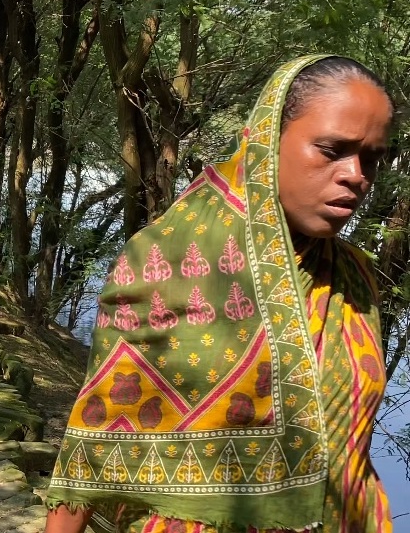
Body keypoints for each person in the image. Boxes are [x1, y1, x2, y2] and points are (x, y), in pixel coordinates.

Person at [44, 55, 395, 533]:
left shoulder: (354, 281)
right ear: (267, 142)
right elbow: (96, 436)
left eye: (372, 158)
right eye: (333, 149)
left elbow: (352, 447)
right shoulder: (168, 261)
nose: (357, 175)